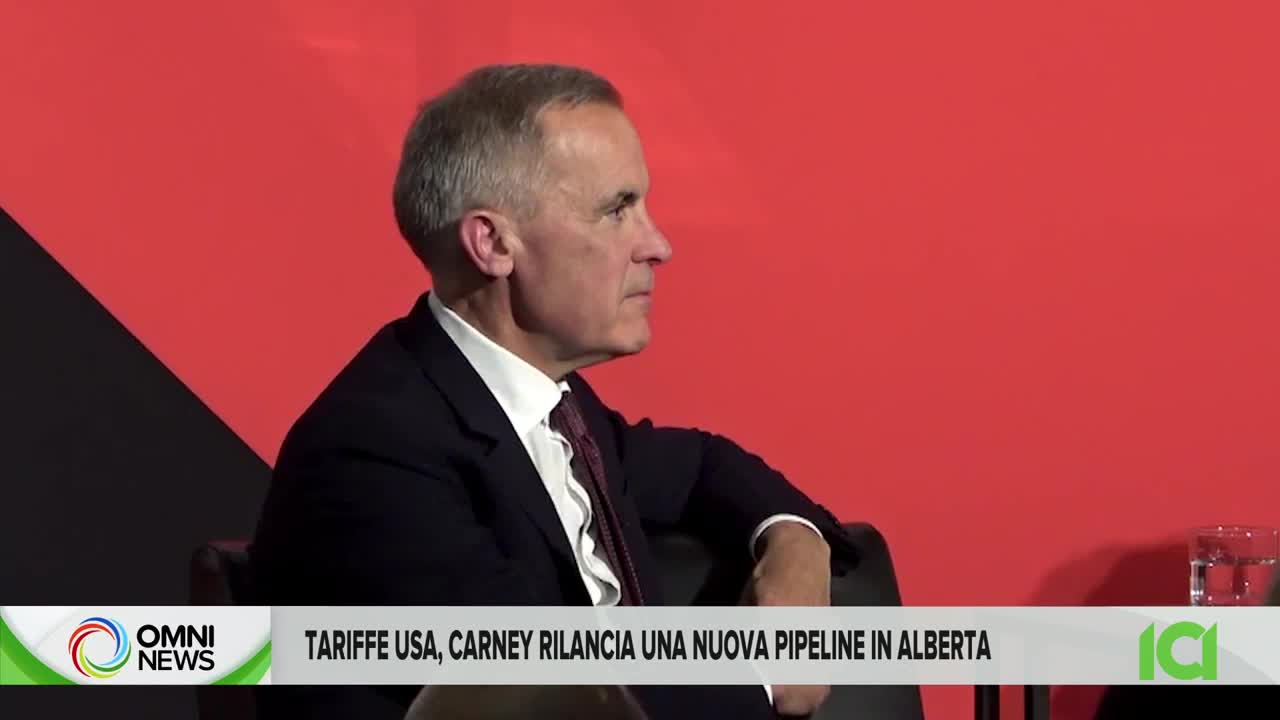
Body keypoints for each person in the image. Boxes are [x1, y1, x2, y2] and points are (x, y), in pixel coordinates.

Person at [249, 64, 858, 720]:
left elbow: (706, 466)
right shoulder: (369, 453)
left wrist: (797, 547)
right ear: (493, 244)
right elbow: (539, 686)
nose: (658, 244)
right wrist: (768, 675)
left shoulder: (561, 412)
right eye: (617, 209)